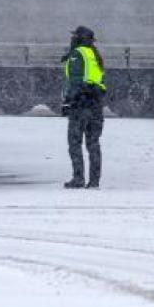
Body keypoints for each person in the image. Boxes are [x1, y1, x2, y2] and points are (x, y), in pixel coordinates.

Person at [62, 25, 106, 188]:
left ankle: (78, 178)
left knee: (75, 142)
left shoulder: (77, 54)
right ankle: (94, 181)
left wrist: (68, 101)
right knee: (93, 143)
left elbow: (75, 81)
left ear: (79, 39)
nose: (72, 39)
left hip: (81, 104)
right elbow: (101, 83)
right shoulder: (95, 55)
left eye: (74, 36)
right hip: (95, 104)